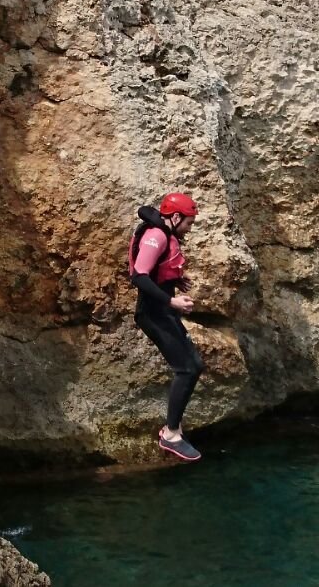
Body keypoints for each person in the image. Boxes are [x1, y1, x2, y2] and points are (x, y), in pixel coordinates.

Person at [128, 192, 206, 461]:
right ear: (175, 217)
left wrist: (175, 282)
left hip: (162, 311)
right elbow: (138, 276)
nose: (189, 229)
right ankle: (170, 435)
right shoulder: (157, 235)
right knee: (187, 368)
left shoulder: (165, 233)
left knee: (194, 366)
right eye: (188, 223)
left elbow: (156, 271)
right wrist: (172, 301)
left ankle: (174, 428)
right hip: (153, 314)